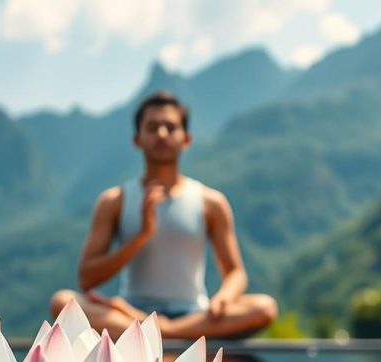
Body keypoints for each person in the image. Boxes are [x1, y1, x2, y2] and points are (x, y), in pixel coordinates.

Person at [49, 91, 278, 339]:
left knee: (264, 307)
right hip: (130, 312)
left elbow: (235, 273)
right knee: (63, 301)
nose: (161, 134)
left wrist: (223, 298)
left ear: (186, 139)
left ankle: (161, 332)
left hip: (194, 313)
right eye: (152, 127)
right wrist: (141, 236)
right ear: (137, 139)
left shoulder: (211, 202)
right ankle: (171, 333)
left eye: (170, 127)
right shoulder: (114, 201)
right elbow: (87, 277)